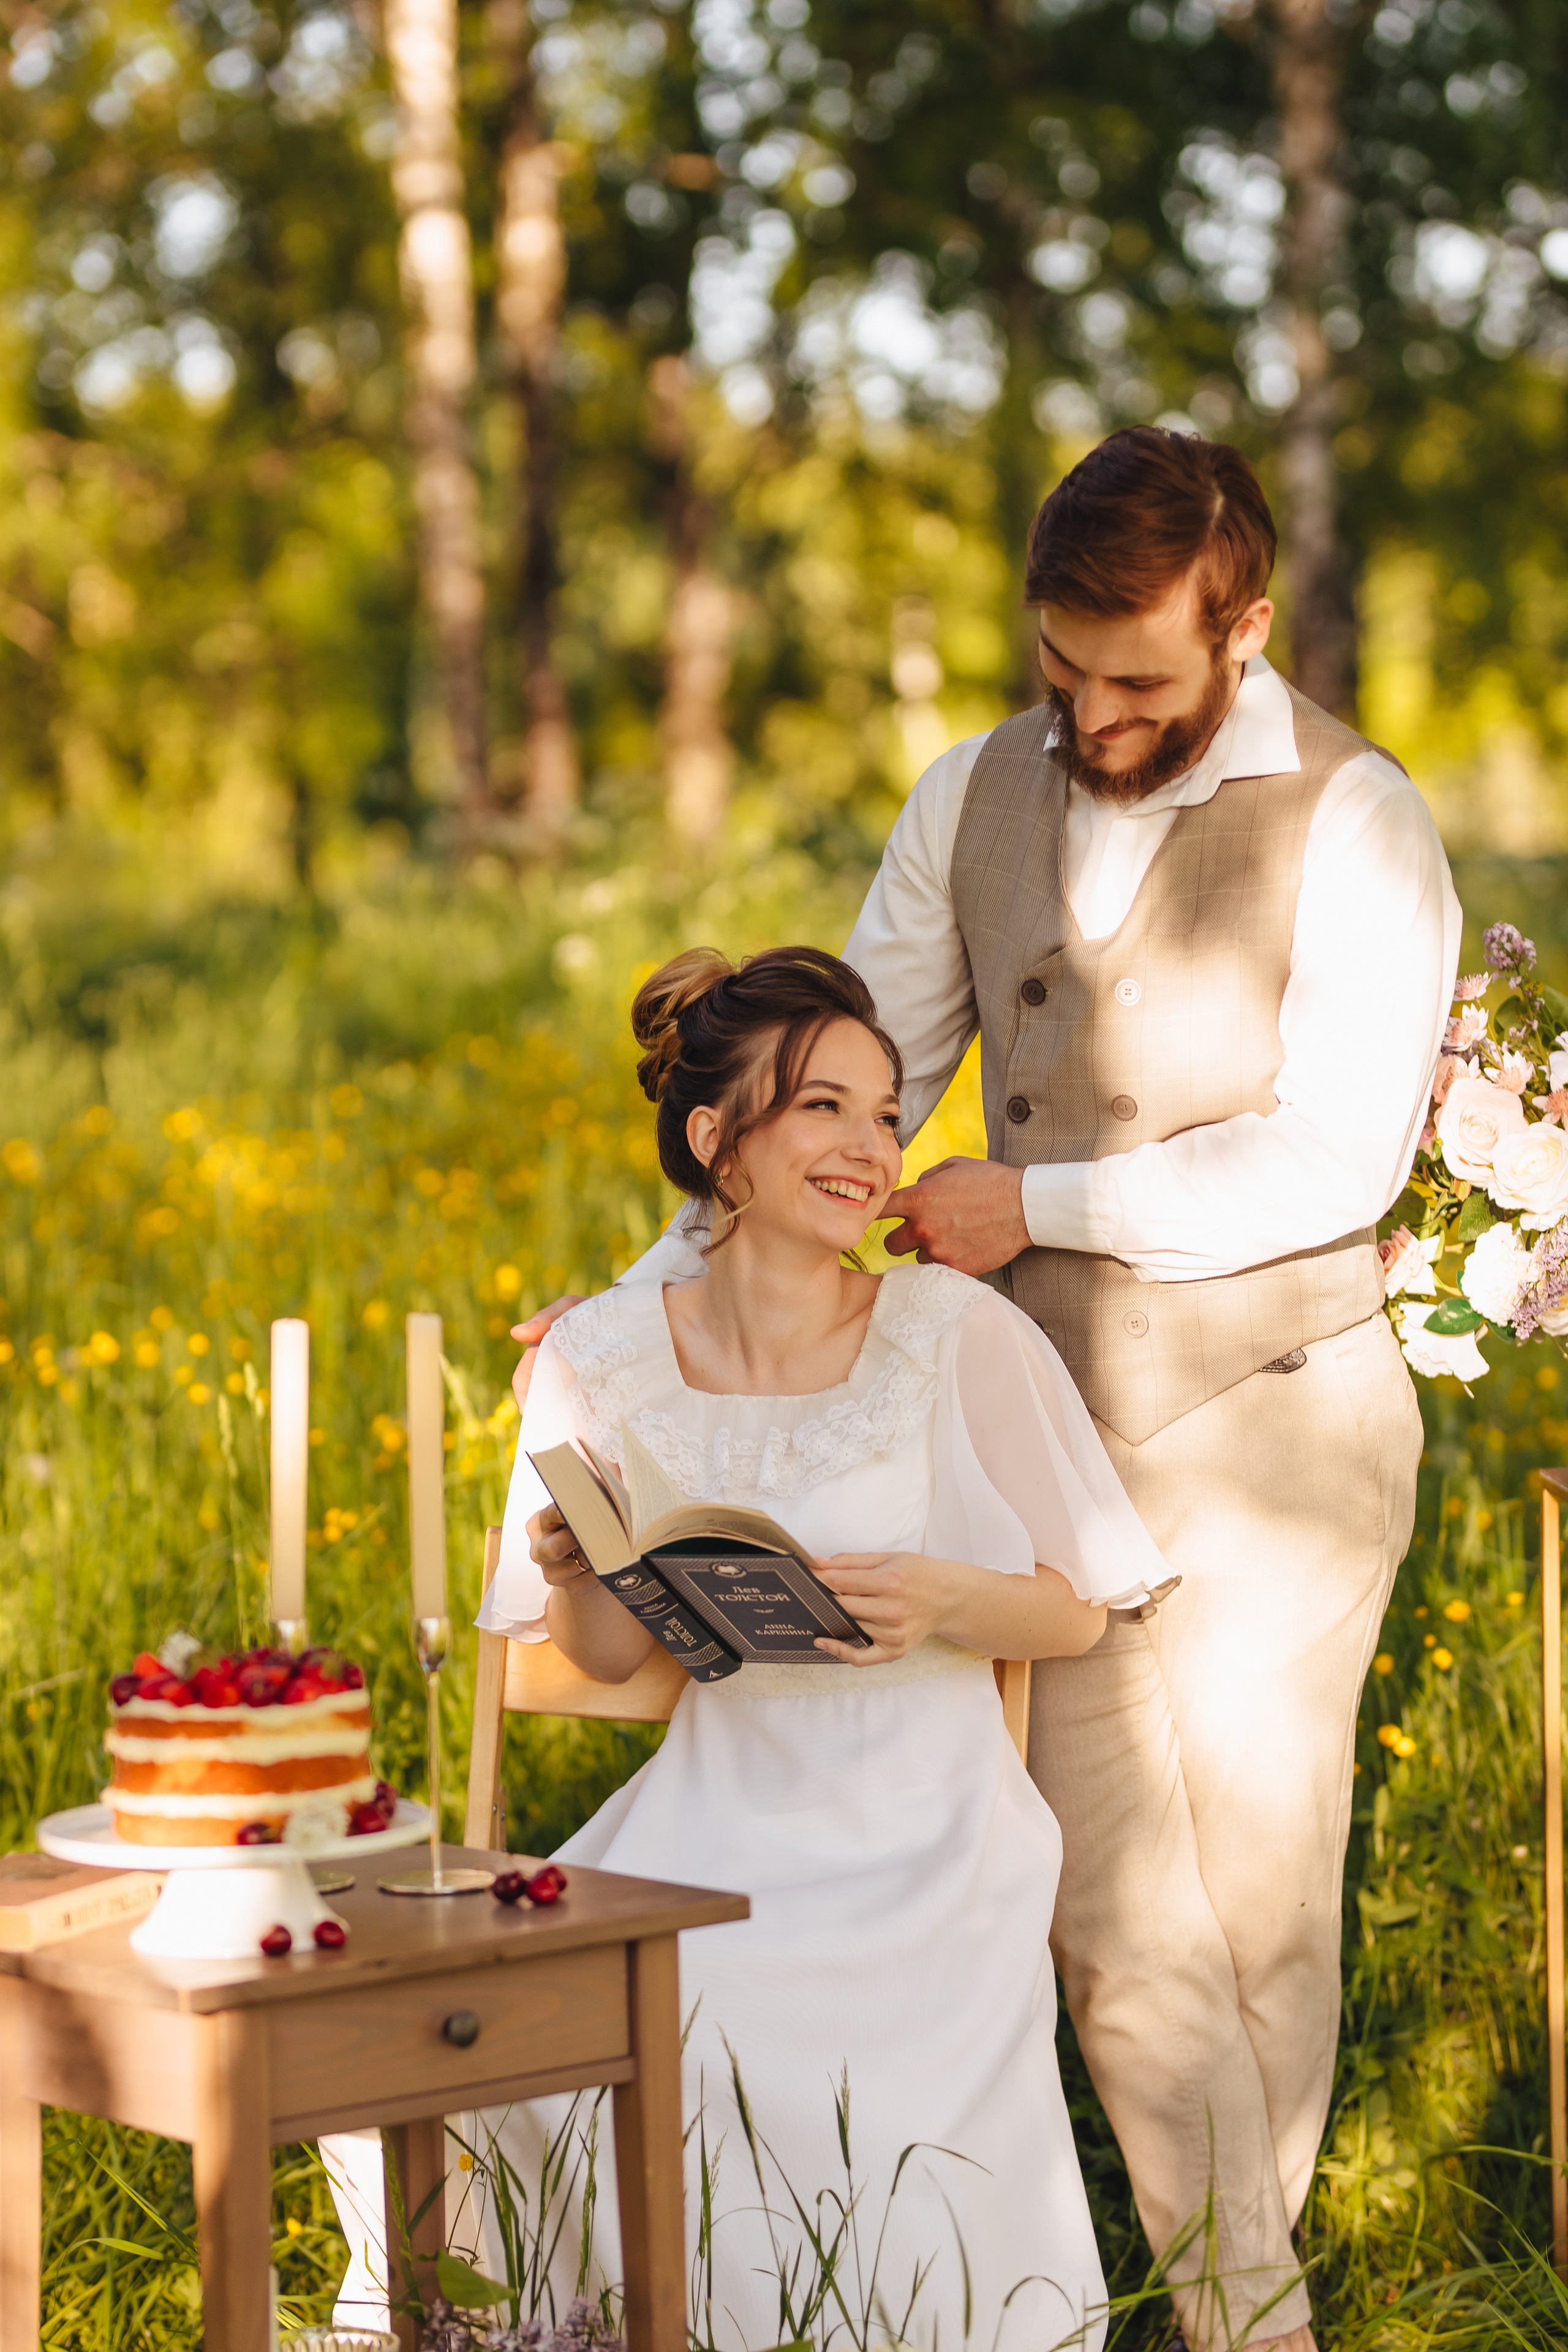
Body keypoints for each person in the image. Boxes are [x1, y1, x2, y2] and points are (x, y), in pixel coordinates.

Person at [516, 431, 1461, 2351]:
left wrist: (1030, 1200)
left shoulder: (1362, 821)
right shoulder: (972, 796)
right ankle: (1213, 2313)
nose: (1096, 716)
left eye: (1140, 680)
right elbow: (835, 1091)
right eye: (1064, 671)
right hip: (1044, 1448)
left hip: (1274, 1422)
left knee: (1262, 1915)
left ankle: (1216, 2295)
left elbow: (1332, 1165)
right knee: (1120, 1922)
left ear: (1243, 627)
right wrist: (626, 1314)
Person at [474, 944, 1175, 2351]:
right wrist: (576, 1568)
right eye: (822, 1110)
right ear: (713, 1140)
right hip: (711, 1814)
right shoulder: (595, 1355)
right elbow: (608, 1656)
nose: (872, 1149)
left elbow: (1079, 1602)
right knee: (487, 2015)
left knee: (721, 2013)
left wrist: (944, 1603)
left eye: (886, 1113)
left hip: (924, 1829)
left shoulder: (951, 1332)